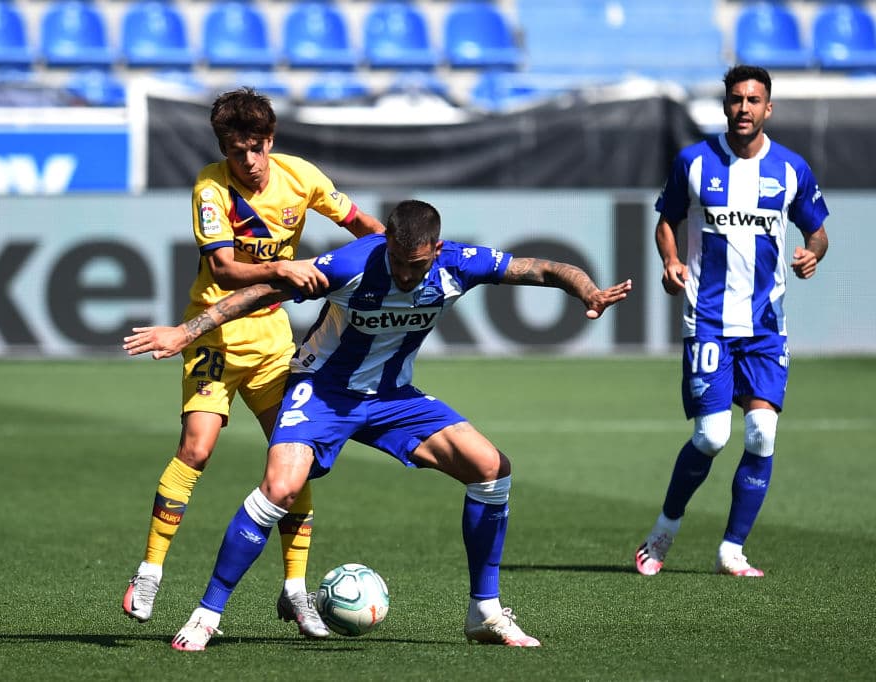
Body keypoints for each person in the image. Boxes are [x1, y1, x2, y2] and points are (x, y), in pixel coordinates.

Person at [123, 199, 633, 651]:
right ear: (385, 241)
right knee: (279, 487)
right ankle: (208, 613)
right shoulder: (351, 264)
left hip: (392, 397)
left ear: (435, 249)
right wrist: (185, 331)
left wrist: (586, 290)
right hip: (322, 390)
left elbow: (541, 269)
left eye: (416, 265)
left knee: (491, 468)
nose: (405, 275)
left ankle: (485, 611)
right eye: (397, 261)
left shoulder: (459, 264)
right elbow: (262, 291)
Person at [122, 87, 385, 637]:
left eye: (256, 147)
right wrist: (287, 270)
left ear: (271, 141)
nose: (248, 161)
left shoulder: (301, 176)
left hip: (272, 344)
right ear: (223, 146)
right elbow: (221, 268)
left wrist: (395, 259)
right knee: (196, 448)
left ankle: (295, 590)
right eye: (236, 150)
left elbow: (366, 227)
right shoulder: (210, 186)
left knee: (294, 456)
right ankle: (150, 570)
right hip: (215, 337)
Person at [633, 65, 830, 578]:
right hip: (710, 321)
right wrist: (671, 262)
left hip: (765, 325)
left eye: (754, 100)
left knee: (762, 433)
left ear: (769, 108)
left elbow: (818, 231)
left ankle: (732, 550)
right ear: (725, 106)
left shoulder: (790, 169)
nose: (744, 108)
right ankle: (663, 531)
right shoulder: (693, 162)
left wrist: (812, 253)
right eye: (736, 99)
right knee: (713, 437)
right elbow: (666, 223)